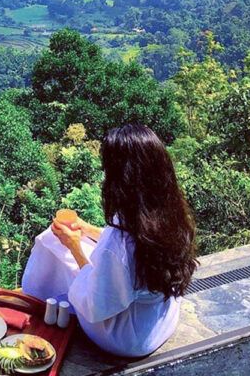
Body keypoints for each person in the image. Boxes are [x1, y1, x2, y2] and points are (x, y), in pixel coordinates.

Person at [21, 123, 198, 357]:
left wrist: (73, 246)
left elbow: (96, 304)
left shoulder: (119, 242)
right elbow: (138, 244)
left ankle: (38, 300)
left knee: (50, 243)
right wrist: (86, 229)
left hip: (127, 338)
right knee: (71, 244)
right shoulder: (169, 211)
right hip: (159, 319)